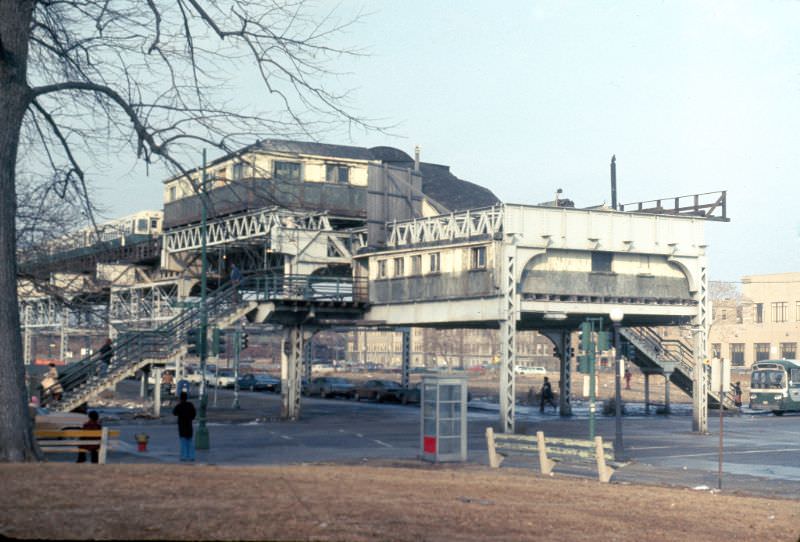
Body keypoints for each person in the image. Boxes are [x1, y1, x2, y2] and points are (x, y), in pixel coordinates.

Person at [173, 391, 196, 462]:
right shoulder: (190, 405)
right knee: (190, 442)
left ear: (180, 398)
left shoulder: (179, 406)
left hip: (182, 426)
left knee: (183, 442)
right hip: (189, 425)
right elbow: (194, 414)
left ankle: (184, 456)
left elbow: (174, 412)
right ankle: (191, 456)